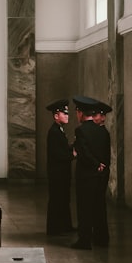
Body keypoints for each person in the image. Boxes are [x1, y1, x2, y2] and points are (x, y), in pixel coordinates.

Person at [71, 95, 112, 249]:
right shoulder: (104, 132)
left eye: (77, 112)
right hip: (101, 176)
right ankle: (102, 238)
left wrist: (95, 165)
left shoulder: (80, 131)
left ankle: (85, 240)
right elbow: (106, 155)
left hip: (87, 175)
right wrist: (102, 168)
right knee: (100, 206)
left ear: (81, 113)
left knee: (85, 208)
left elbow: (84, 152)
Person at [45, 98, 75, 235]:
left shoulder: (59, 130)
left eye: (67, 114)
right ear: (56, 116)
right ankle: (55, 229)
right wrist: (73, 154)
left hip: (61, 173)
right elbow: (58, 154)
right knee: (57, 200)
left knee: (63, 199)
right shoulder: (54, 132)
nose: (67, 116)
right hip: (57, 173)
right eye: (64, 114)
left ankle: (65, 226)